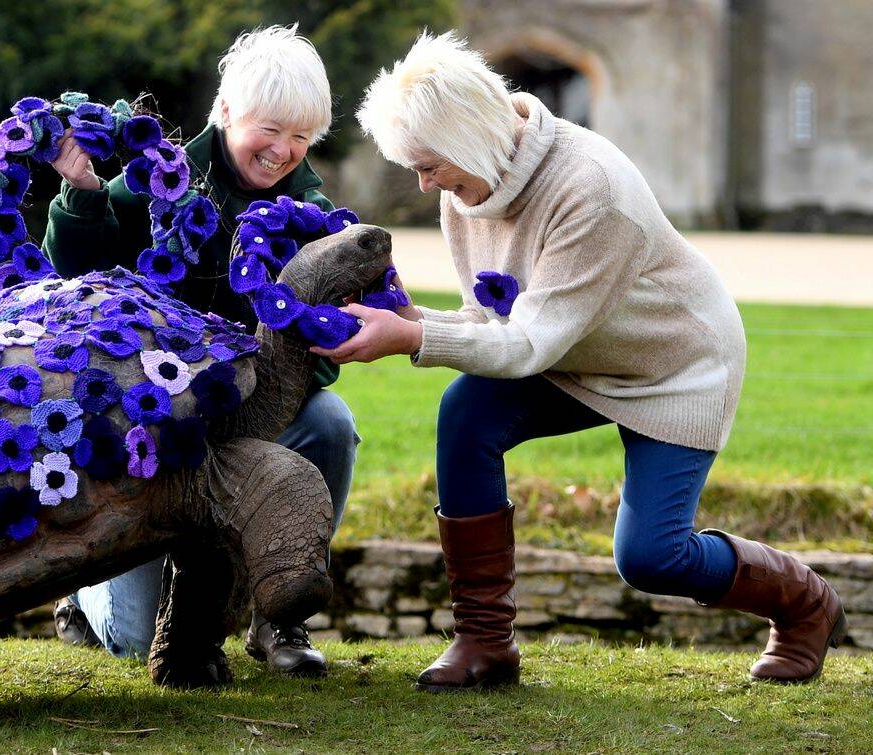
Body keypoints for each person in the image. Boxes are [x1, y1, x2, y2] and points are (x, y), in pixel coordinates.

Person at [315, 31, 846, 691]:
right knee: (468, 411)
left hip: (673, 367)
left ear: (471, 136)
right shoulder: (468, 187)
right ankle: (483, 643)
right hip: (573, 348)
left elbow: (530, 343)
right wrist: (415, 319)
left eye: (429, 165)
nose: (426, 186)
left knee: (651, 557)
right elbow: (498, 319)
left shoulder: (591, 190)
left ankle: (805, 603)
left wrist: (412, 340)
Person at [42, 24, 358, 677]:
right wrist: (82, 197)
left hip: (255, 410)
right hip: (150, 421)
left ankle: (278, 615)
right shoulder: (159, 182)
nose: (284, 152)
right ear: (225, 113)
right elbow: (71, 290)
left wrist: (291, 359)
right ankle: (81, 595)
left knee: (331, 424)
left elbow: (321, 352)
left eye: (302, 137)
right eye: (270, 129)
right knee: (135, 638)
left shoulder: (315, 216)